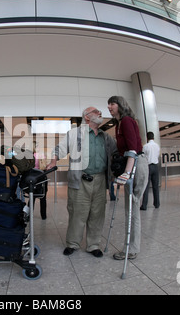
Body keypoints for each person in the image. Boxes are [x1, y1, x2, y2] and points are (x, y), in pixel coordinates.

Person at [46, 106, 118, 258]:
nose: (100, 113)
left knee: (97, 214)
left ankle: (93, 245)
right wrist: (53, 161)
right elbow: (59, 149)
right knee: (77, 213)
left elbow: (117, 152)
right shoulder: (74, 134)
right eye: (96, 111)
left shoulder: (106, 137)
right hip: (80, 179)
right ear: (87, 117)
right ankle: (73, 243)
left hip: (100, 179)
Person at [107, 96, 148, 261]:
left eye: (113, 104)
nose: (109, 107)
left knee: (132, 209)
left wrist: (126, 172)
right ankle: (131, 247)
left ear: (120, 105)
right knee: (131, 208)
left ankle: (131, 249)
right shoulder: (118, 124)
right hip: (132, 165)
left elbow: (133, 149)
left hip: (136, 165)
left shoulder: (126, 121)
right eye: (108, 104)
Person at [141, 131, 160, 210]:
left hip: (148, 166)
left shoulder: (145, 146)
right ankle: (157, 204)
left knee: (146, 186)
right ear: (153, 137)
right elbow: (158, 155)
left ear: (147, 138)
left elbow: (143, 156)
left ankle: (144, 205)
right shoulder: (157, 146)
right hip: (155, 166)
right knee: (156, 186)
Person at [34, 144, 48, 220]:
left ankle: (29, 215)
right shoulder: (41, 155)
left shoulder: (30, 155)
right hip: (42, 177)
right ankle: (43, 216)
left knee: (32, 197)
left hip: (33, 178)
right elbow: (44, 166)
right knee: (43, 197)